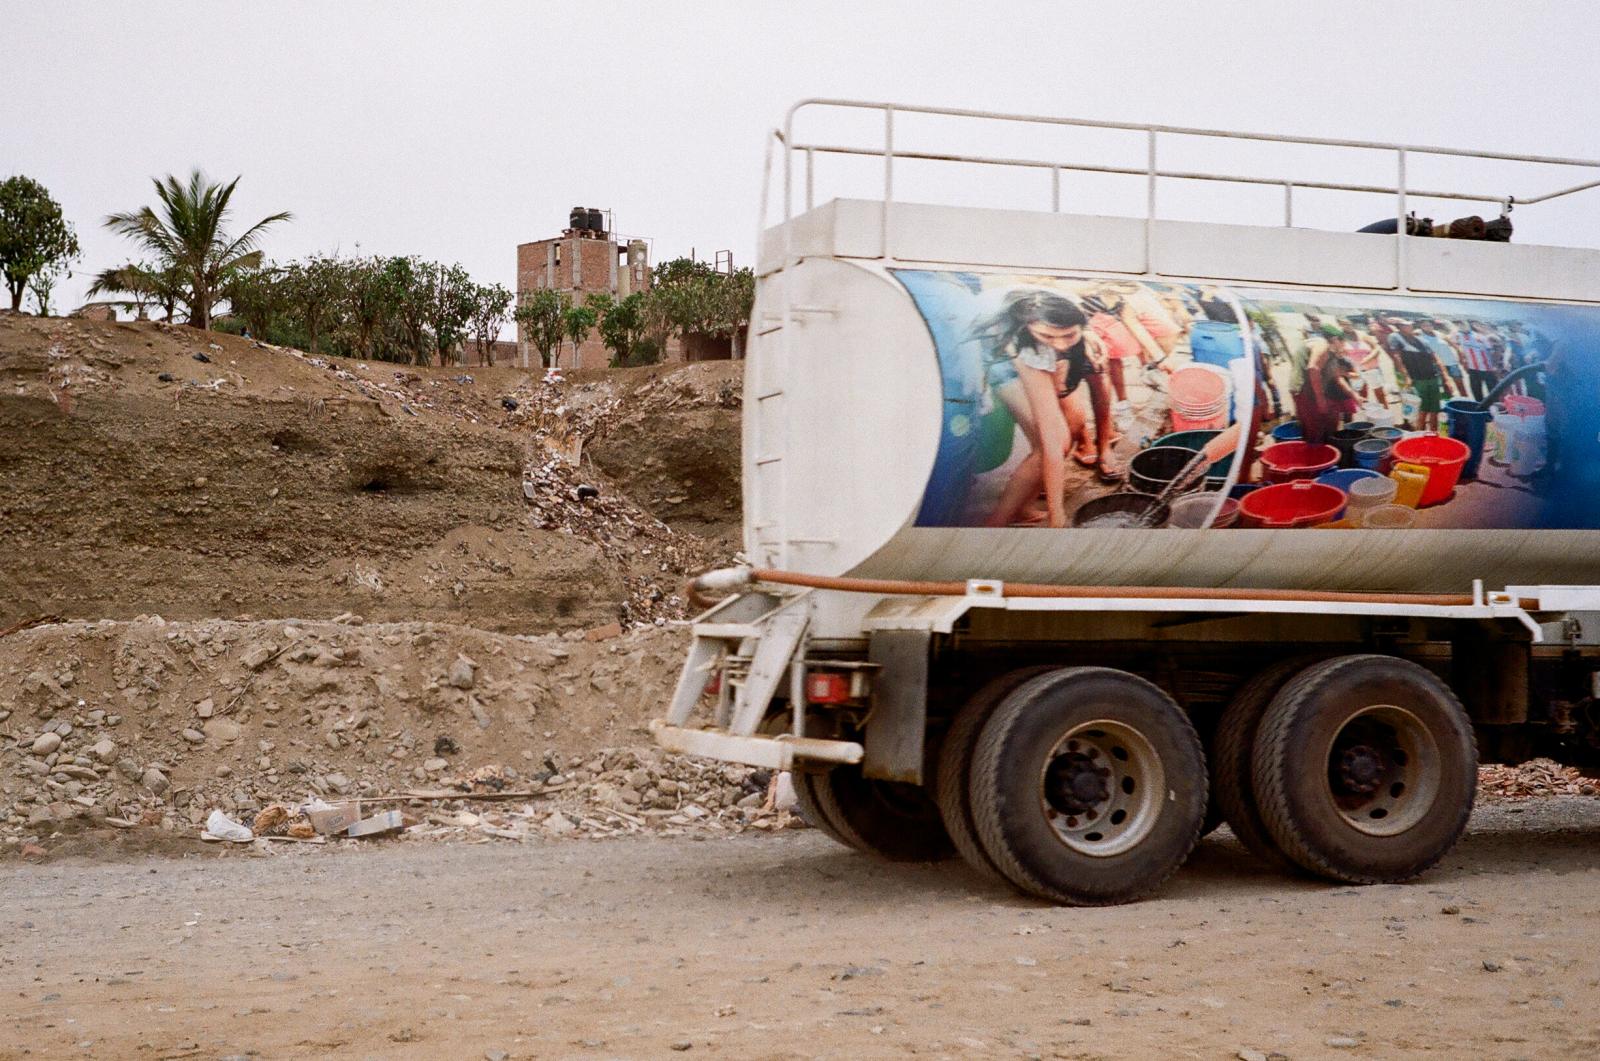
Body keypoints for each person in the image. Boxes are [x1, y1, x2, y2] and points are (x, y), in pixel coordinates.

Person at [972, 290, 1115, 528]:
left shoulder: (1064, 309)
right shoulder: (1025, 346)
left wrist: (1083, 335)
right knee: (1054, 440)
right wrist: (1056, 512)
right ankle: (996, 522)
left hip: (1034, 338)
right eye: (1049, 335)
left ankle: (1024, 507)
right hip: (997, 361)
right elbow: (1050, 438)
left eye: (1069, 334)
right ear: (1028, 326)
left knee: (1073, 423)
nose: (1060, 344)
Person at [1386, 319, 1445, 432]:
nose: (1410, 326)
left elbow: (1435, 358)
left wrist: (1446, 377)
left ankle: (1433, 434)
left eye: (1410, 324)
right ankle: (1419, 435)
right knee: (1421, 410)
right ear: (1400, 327)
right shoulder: (1395, 337)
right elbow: (1397, 358)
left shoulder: (1423, 341)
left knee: (1435, 410)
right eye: (1406, 325)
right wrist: (1406, 376)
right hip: (1417, 380)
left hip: (1432, 378)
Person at [1340, 321, 1388, 409]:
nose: (1348, 326)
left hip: (1371, 368)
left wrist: (1367, 359)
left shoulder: (1362, 335)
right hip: (1356, 371)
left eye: (1349, 324)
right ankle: (1369, 416)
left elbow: (1377, 348)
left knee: (1380, 395)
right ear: (1340, 325)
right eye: (1344, 324)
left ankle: (1386, 414)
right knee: (1362, 396)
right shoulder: (1341, 338)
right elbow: (1341, 353)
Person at [1416, 319, 1464, 397]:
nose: (1428, 327)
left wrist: (1461, 358)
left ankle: (1465, 401)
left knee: (1460, 385)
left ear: (1433, 326)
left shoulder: (1440, 334)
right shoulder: (1419, 335)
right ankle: (1449, 401)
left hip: (1452, 363)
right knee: (1445, 385)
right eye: (1424, 325)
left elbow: (1456, 346)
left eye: (1429, 325)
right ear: (1421, 327)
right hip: (1436, 365)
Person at [1457, 320, 1501, 402]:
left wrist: (1495, 365)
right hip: (1472, 369)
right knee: (1476, 391)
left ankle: (1496, 408)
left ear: (1469, 325)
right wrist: (1463, 362)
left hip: (1487, 369)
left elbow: (1494, 351)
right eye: (1459, 325)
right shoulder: (1459, 336)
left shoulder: (1480, 337)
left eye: (1463, 324)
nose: (1461, 326)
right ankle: (1480, 408)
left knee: (1493, 392)